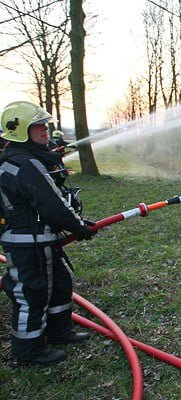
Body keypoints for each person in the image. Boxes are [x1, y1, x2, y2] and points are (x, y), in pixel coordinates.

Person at [0, 101, 97, 366]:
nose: (45, 129)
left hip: (40, 238)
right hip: (28, 242)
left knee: (61, 282)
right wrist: (79, 227)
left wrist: (77, 223)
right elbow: (52, 204)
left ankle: (59, 331)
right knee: (32, 293)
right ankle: (28, 352)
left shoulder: (23, 159)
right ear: (21, 130)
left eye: (45, 124)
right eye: (38, 126)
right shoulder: (26, 164)